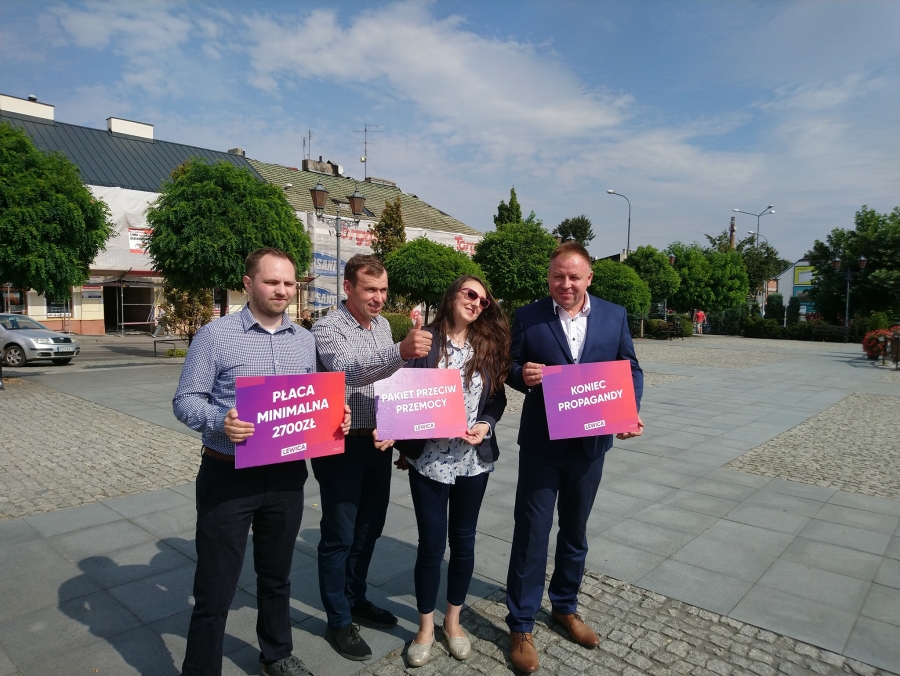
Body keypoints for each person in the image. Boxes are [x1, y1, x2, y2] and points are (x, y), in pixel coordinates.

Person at [173, 247, 351, 676]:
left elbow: (311, 400)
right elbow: (185, 400)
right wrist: (221, 420)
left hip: (287, 475)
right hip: (229, 474)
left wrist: (336, 416)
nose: (282, 290)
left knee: (277, 576)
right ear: (248, 283)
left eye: (288, 283)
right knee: (216, 586)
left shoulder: (305, 340)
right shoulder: (215, 336)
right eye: (272, 282)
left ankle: (277, 654)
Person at [504, 241, 644, 673]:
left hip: (590, 445)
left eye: (573, 277)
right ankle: (521, 623)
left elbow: (630, 368)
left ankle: (565, 607)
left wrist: (629, 410)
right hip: (543, 445)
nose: (565, 284)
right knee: (532, 531)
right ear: (549, 277)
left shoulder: (614, 315)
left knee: (575, 530)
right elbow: (508, 365)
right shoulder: (528, 316)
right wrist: (523, 375)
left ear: (589, 278)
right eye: (557, 276)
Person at [375, 275, 510, 667]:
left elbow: (497, 399)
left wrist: (485, 423)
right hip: (430, 461)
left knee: (464, 542)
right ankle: (425, 627)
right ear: (452, 295)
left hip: (473, 461)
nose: (476, 303)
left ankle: (453, 621)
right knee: (432, 546)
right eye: (470, 294)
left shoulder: (487, 345)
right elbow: (402, 392)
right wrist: (392, 429)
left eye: (483, 301)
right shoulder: (425, 341)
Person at [311, 254, 432, 661]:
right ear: (348, 288)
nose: (378, 298)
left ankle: (355, 596)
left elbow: (392, 383)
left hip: (377, 443)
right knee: (339, 533)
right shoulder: (328, 327)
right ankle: (338, 619)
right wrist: (400, 350)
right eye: (370, 289)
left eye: (383, 290)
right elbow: (346, 371)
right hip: (339, 443)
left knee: (370, 527)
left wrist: (401, 432)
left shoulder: (381, 326)